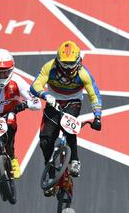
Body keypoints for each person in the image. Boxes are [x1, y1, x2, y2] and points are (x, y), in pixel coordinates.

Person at [30, 41, 102, 195]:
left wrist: (97, 116)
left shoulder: (84, 73)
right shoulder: (49, 67)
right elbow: (35, 85)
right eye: (64, 64)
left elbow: (94, 94)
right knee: (45, 140)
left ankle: (75, 160)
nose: (68, 68)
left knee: (69, 127)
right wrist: (45, 94)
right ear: (57, 60)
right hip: (53, 101)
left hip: (73, 102)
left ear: (78, 61)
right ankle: (49, 168)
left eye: (71, 64)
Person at [0, 49, 41, 179]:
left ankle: (12, 157)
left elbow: (37, 102)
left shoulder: (17, 81)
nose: (2, 75)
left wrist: (25, 105)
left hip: (9, 113)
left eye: (5, 72)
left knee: (10, 121)